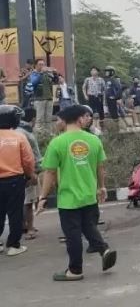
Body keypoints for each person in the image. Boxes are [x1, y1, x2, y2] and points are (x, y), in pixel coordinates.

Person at [36, 105, 117, 281]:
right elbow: (100, 167)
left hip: (68, 198)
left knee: (72, 234)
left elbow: (49, 173)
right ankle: (104, 250)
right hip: (89, 195)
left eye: (58, 120)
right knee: (89, 226)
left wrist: (42, 197)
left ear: (65, 121)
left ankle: (75, 270)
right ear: (80, 119)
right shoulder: (94, 140)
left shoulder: (57, 142)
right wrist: (101, 187)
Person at [0, 105, 36, 256]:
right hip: (14, 180)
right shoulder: (19, 137)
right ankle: (14, 245)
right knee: (15, 213)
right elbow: (28, 161)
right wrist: (29, 176)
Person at [17, 108, 42, 241]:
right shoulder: (25, 133)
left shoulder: (17, 130)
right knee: (28, 201)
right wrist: (32, 172)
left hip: (17, 172)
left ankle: (23, 226)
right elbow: (29, 155)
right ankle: (30, 228)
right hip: (27, 171)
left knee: (21, 200)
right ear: (33, 119)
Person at [30, 59, 57, 134]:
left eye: (43, 64)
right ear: (35, 65)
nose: (42, 66)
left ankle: (48, 135)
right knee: (40, 119)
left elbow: (55, 81)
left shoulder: (47, 74)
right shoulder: (33, 74)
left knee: (48, 118)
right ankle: (39, 136)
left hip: (49, 98)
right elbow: (33, 83)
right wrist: (41, 73)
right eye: (40, 64)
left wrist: (55, 74)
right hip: (39, 99)